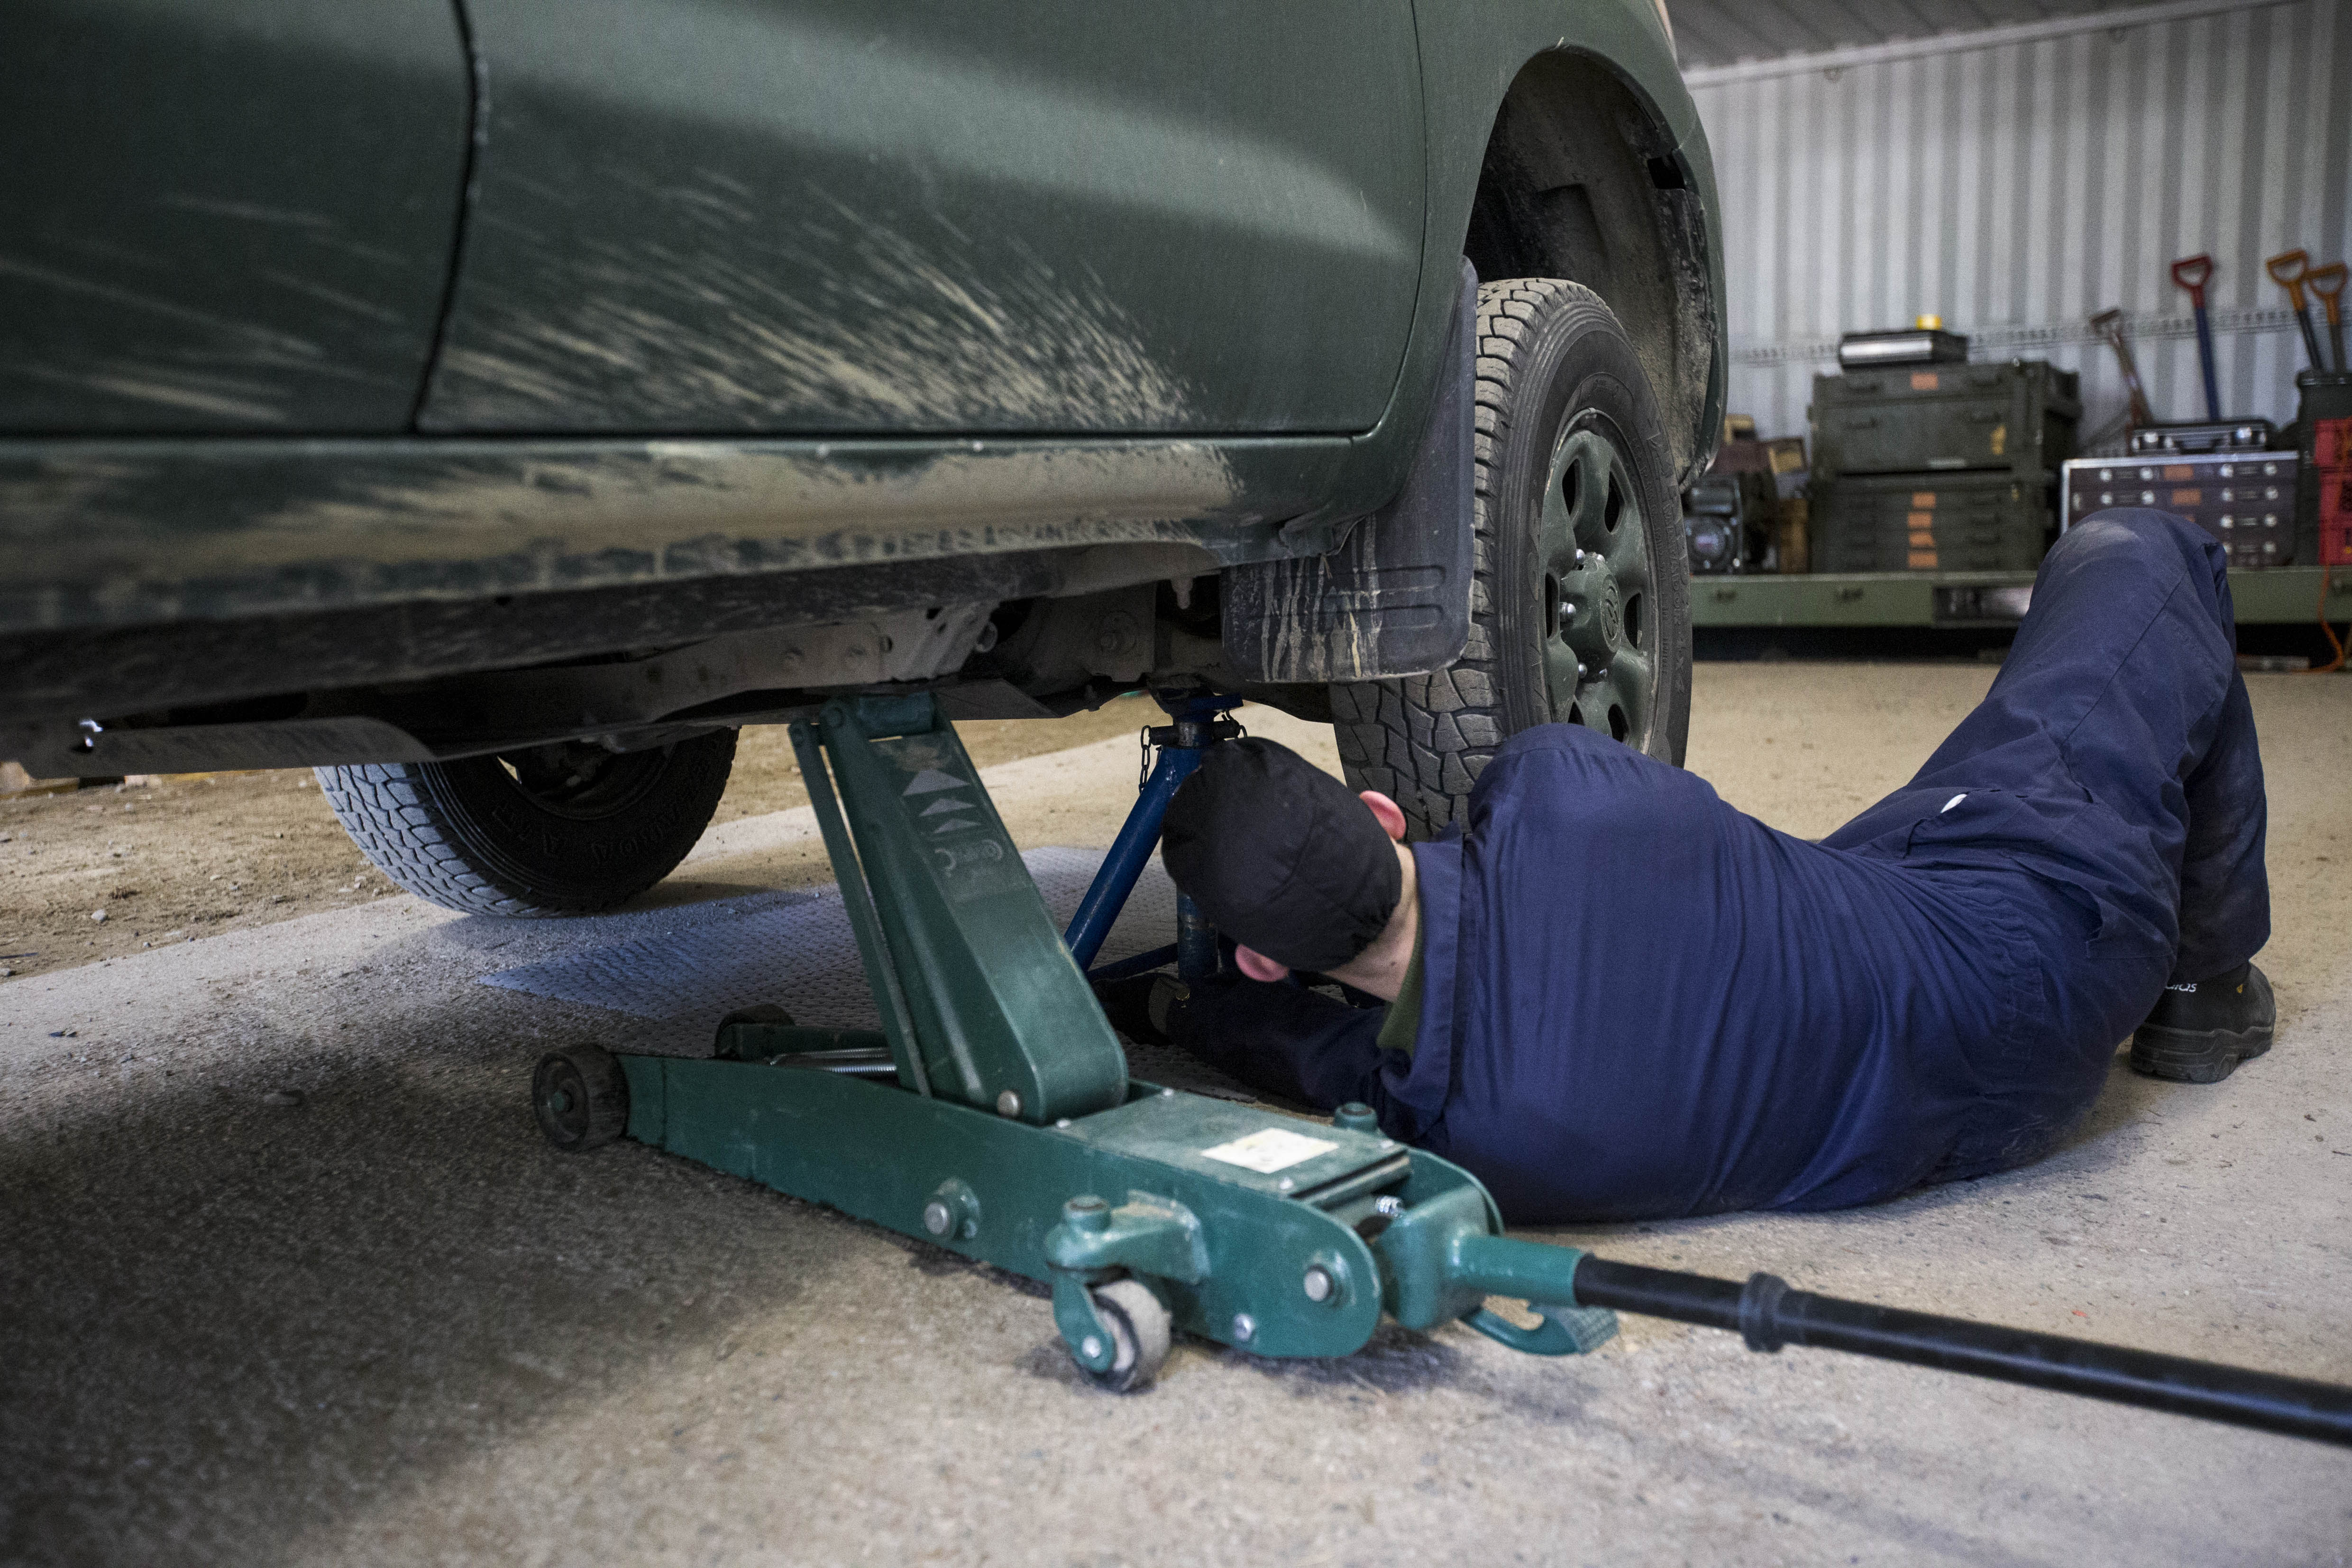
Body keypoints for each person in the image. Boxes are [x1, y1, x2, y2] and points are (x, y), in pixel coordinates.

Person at [1120, 510, 2276, 1223]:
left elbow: (1311, 1059)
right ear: (1379, 810)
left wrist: (1186, 1008)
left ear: (1271, 963)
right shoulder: (1559, 794)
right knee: (2141, 560)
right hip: (2030, 926)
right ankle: (2205, 980)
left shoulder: (1467, 1140)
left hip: (1970, 1053)